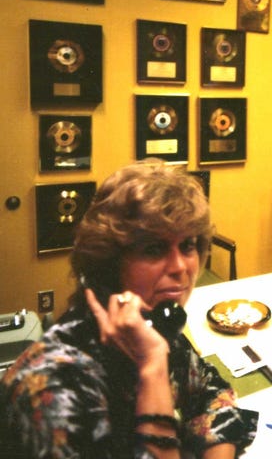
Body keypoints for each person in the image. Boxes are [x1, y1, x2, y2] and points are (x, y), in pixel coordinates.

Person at [0, 160, 258, 458]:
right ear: (109, 263)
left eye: (187, 246)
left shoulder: (151, 327)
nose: (180, 268)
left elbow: (211, 393)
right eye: (153, 248)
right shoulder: (52, 391)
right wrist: (153, 369)